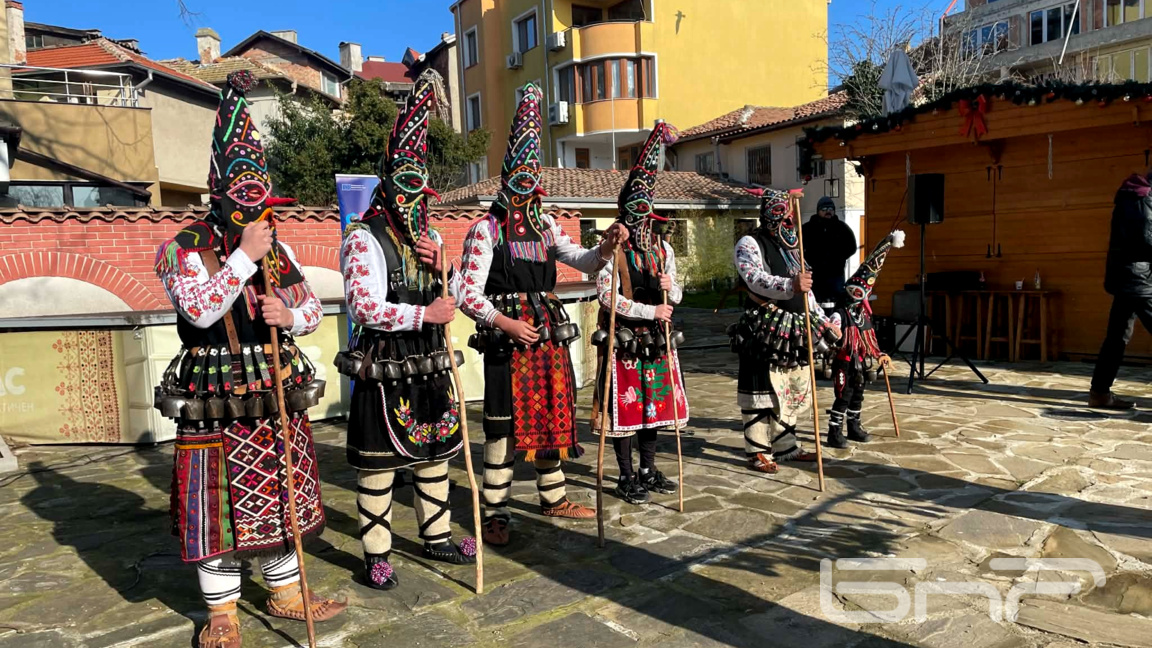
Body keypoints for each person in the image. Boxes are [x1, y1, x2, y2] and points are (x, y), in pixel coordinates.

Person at [153, 70, 344, 648]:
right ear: (221, 196)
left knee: (280, 487)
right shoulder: (183, 249)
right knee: (217, 501)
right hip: (212, 391)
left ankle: (286, 592)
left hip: (275, 380)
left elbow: (311, 307)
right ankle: (222, 611)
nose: (260, 215)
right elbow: (200, 310)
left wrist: (291, 317)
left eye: (265, 205)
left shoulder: (279, 246)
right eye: (248, 204)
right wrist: (239, 259)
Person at [454, 83, 629, 545]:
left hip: (548, 336)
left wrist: (608, 244)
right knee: (503, 428)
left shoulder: (547, 223)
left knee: (550, 415)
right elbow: (467, 293)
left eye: (533, 180)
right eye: (520, 179)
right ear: (507, 179)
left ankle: (553, 497)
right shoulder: (485, 228)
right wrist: (506, 322)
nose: (526, 189)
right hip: (507, 342)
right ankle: (495, 512)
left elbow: (584, 261)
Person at [336, 74, 475, 591]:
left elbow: (454, 298)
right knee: (379, 464)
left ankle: (435, 534)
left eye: (422, 191)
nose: (416, 203)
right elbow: (365, 307)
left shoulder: (434, 237)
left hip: (429, 359)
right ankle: (376, 552)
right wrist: (424, 317)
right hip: (385, 359)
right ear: (388, 188)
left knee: (435, 452)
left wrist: (446, 267)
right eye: (406, 188)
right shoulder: (362, 240)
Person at [593, 122, 689, 505]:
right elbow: (606, 297)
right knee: (625, 409)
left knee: (653, 407)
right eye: (634, 211)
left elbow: (678, 292)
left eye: (646, 211)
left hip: (657, 341)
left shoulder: (664, 250)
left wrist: (671, 290)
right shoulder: (610, 247)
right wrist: (651, 310)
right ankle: (626, 475)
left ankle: (648, 469)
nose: (640, 219)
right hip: (623, 338)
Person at [730, 188, 841, 474]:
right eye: (778, 211)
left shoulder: (794, 247)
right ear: (766, 211)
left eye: (788, 213)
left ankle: (786, 446)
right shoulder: (749, 242)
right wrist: (789, 285)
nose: (785, 218)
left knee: (790, 387)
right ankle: (757, 450)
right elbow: (753, 278)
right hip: (763, 326)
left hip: (795, 328)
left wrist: (823, 319)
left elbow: (808, 291)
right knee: (760, 389)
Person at [825, 230, 905, 448]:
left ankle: (854, 427)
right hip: (844, 361)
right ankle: (834, 432)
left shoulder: (864, 315)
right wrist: (832, 334)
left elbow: (870, 340)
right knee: (843, 395)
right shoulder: (839, 314)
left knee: (858, 395)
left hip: (861, 363)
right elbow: (829, 334)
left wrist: (880, 354)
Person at [1089, 170, 1152, 410]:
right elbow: (1146, 241)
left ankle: (1100, 393)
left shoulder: (1135, 195)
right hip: (1139, 279)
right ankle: (1099, 393)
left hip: (1129, 276)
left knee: (1116, 338)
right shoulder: (1142, 198)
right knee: (1116, 337)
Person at [801, 196, 857, 304]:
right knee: (814, 301)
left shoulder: (841, 228)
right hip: (814, 274)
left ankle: (836, 319)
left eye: (830, 209)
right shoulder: (808, 228)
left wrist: (839, 257)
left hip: (835, 273)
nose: (828, 212)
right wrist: (808, 259)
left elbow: (851, 247)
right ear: (818, 211)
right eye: (824, 209)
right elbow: (798, 247)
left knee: (837, 301)